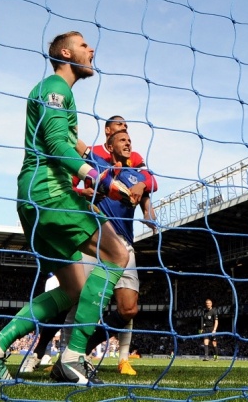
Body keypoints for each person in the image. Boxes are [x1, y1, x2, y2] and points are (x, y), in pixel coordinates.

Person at [0, 31, 133, 385]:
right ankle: (72, 359)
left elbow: (64, 142)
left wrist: (90, 171)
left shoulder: (51, 94)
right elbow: (57, 144)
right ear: (65, 52)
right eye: (84, 44)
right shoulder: (56, 89)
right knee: (117, 256)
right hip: (49, 192)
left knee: (73, 287)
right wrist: (101, 180)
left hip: (33, 198)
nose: (91, 49)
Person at [81, 130, 158, 376]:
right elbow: (77, 147)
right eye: (122, 139)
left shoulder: (137, 174)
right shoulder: (98, 164)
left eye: (129, 140)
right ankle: (66, 354)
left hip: (124, 244)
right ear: (109, 145)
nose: (128, 143)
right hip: (97, 242)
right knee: (77, 298)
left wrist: (147, 209)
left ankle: (87, 346)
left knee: (128, 310)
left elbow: (152, 185)